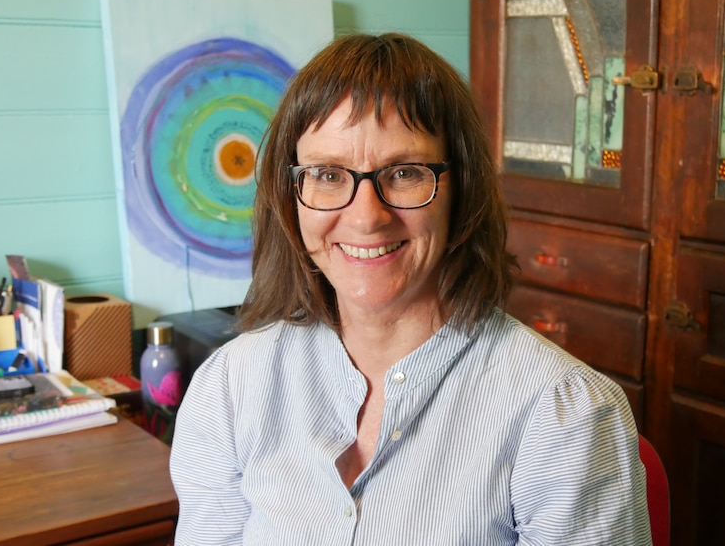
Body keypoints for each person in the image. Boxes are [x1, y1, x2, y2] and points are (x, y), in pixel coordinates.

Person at [170, 32, 652, 545]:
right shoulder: (230, 387)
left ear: (460, 191)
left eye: (404, 173)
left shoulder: (564, 416)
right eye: (329, 175)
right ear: (291, 196)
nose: (366, 218)